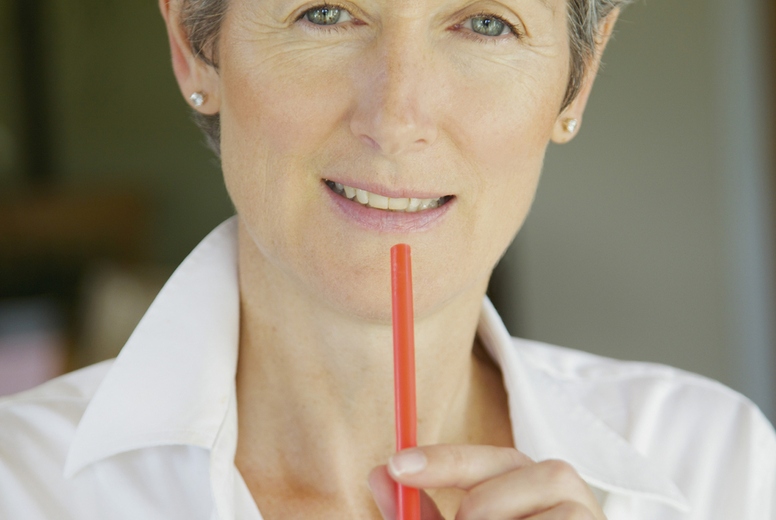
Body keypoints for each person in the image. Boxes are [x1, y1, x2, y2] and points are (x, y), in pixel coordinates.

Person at [1, 0, 774, 518]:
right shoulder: (20, 484)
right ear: (194, 50)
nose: (397, 118)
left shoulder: (714, 466)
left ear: (579, 76)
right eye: (326, 12)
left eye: (486, 23)